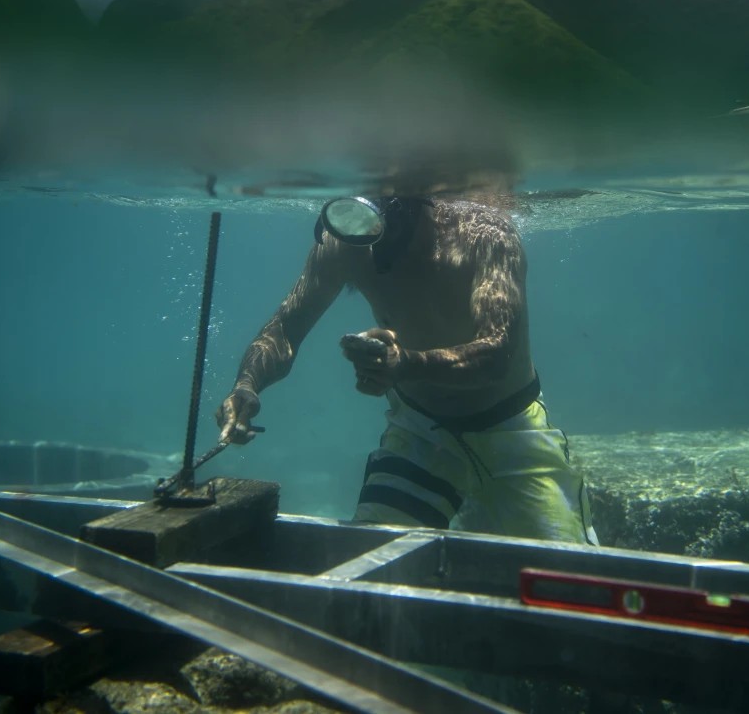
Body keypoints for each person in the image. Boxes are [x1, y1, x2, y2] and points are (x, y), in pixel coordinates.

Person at [216, 194, 597, 544]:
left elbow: (498, 355)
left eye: (389, 227)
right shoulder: (346, 240)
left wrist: (407, 364)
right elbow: (286, 327)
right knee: (373, 559)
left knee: (565, 575)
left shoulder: (487, 235)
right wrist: (246, 385)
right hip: (419, 431)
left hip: (512, 429)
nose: (375, 249)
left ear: (421, 203)